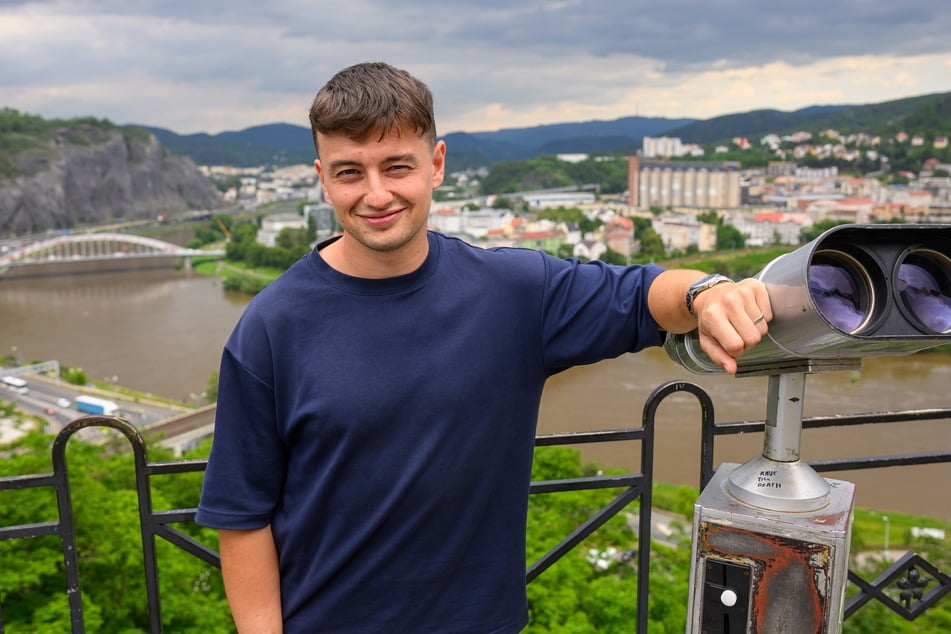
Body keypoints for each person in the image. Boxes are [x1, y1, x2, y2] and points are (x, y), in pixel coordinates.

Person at [196, 61, 772, 633]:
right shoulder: (271, 325)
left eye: (398, 166)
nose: (376, 194)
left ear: (437, 164)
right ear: (323, 177)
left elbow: (646, 293)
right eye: (350, 172)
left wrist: (707, 292)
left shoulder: (516, 292)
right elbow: (242, 517)